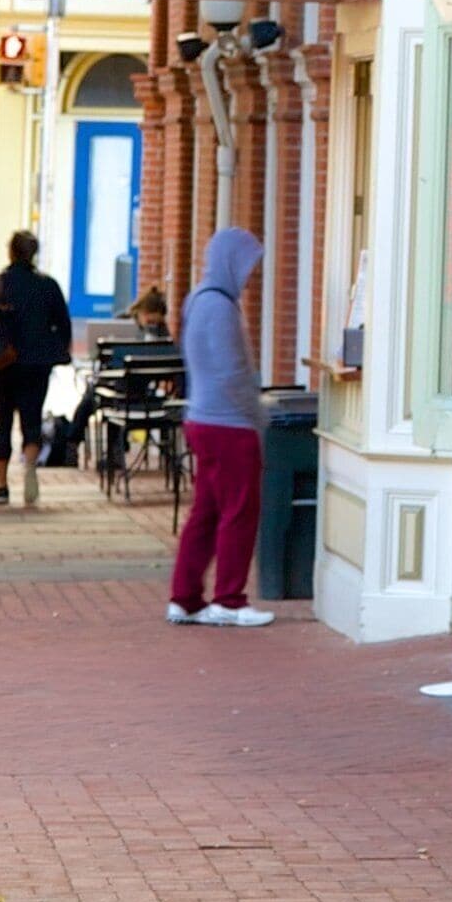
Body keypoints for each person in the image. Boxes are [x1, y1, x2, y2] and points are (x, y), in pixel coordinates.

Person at [166, 227, 271, 626]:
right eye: (247, 267)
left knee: (206, 512)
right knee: (239, 511)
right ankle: (229, 599)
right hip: (230, 425)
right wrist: (256, 413)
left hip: (201, 418)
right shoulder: (222, 308)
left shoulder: (197, 300)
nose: (250, 276)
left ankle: (185, 596)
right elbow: (232, 371)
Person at [0, 230, 73, 507]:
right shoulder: (48, 285)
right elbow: (63, 326)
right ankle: (30, 469)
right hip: (36, 365)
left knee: (1, 422)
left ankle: (2, 486)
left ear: (11, 252)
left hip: (0, 366)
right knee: (32, 419)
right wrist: (54, 352)